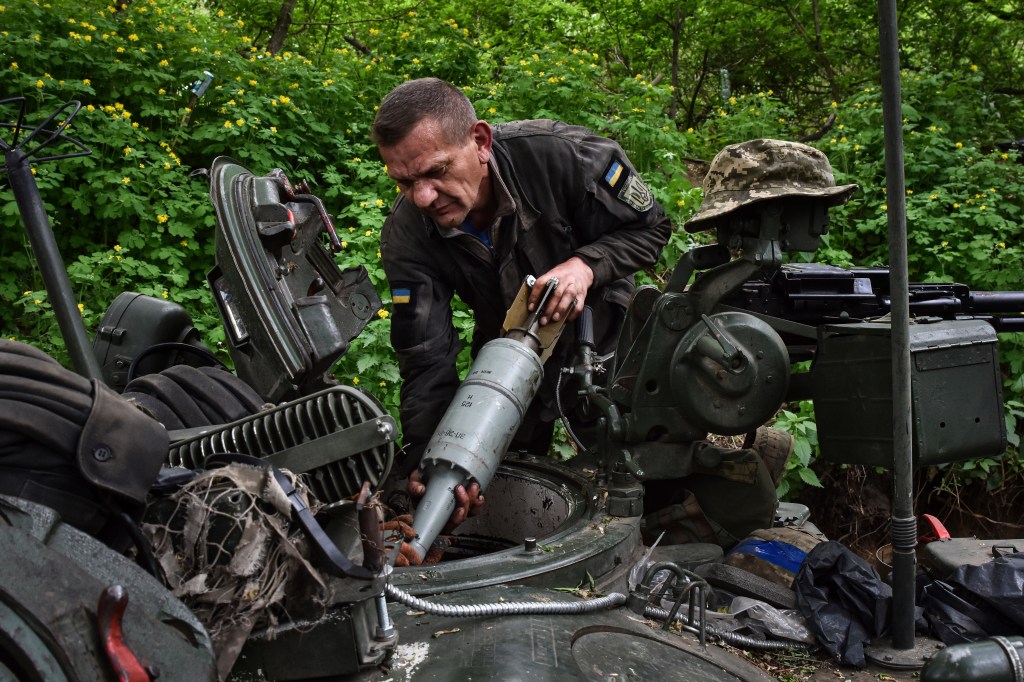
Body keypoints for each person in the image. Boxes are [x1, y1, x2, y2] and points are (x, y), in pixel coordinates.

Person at [371, 77, 672, 534]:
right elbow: (425, 359)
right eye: (404, 182)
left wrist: (584, 267)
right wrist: (428, 458)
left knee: (641, 467)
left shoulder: (563, 158)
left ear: (481, 142)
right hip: (508, 350)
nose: (422, 197)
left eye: (436, 172)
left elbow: (651, 229)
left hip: (606, 335)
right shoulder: (409, 234)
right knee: (502, 472)